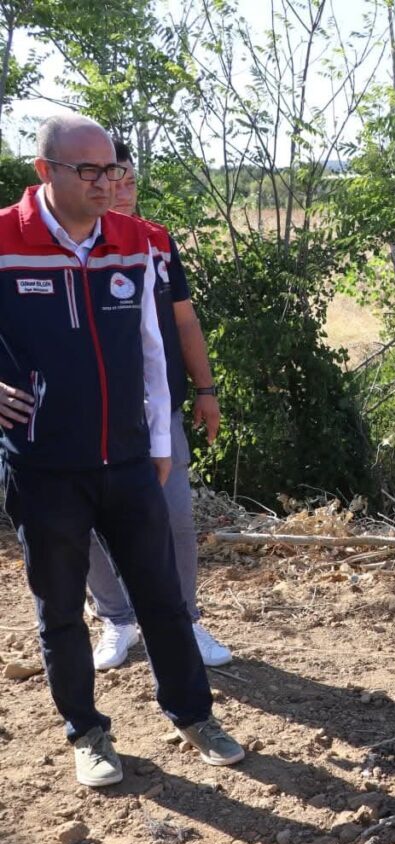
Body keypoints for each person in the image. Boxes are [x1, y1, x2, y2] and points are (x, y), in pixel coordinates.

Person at [0, 115, 243, 788]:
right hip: (43, 465)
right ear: (45, 171)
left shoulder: (135, 241)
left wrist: (160, 443)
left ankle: (194, 715)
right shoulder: (5, 239)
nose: (106, 183)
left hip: (130, 458)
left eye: (111, 169)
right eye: (89, 171)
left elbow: (152, 347)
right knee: (59, 610)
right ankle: (87, 733)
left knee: (163, 597)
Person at [86, 139, 230, 670]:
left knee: (173, 517)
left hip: (157, 408)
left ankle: (184, 619)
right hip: (87, 414)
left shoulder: (157, 242)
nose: (122, 189)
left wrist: (205, 389)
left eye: (129, 178)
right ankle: (118, 619)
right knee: (89, 522)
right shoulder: (69, 243)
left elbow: (184, 320)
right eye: (111, 178)